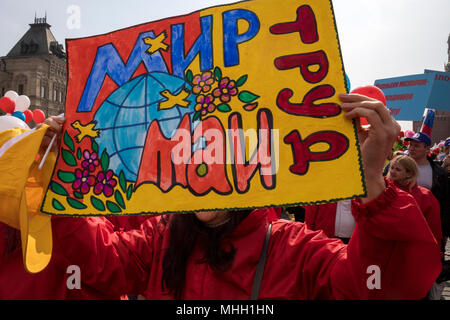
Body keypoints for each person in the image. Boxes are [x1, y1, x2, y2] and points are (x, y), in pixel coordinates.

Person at [5, 93, 443, 300]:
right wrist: (55, 184)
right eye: (190, 154)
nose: (202, 170)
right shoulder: (160, 238)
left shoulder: (295, 248)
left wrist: (371, 182)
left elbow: (382, 288)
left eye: (216, 153)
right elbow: (96, 262)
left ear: (247, 163)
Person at [387, 154, 444, 299]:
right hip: (387, 253)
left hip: (413, 254)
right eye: (392, 167)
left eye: (398, 169)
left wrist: (436, 254)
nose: (392, 171)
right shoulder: (382, 192)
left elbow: (434, 230)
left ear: (409, 173)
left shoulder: (425, 196)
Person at [405, 133, 449, 259]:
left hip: (430, 225)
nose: (412, 148)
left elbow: (446, 201)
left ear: (427, 149)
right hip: (404, 223)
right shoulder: (397, 167)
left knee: (428, 259)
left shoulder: (439, 172)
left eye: (416, 145)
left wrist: (445, 230)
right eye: (410, 145)